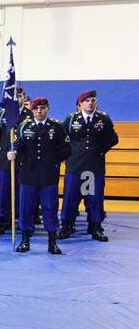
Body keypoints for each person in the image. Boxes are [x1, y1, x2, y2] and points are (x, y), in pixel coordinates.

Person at [59, 89, 118, 241]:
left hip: (94, 167)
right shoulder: (72, 119)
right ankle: (67, 225)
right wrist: (69, 155)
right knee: (71, 197)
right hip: (75, 166)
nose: (90, 103)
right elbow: (62, 139)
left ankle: (95, 227)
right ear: (80, 104)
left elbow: (112, 139)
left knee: (94, 198)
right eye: (87, 101)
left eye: (93, 101)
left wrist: (99, 151)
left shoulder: (103, 119)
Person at [10, 97, 67, 254]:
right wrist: (13, 152)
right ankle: (25, 240)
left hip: (48, 176)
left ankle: (52, 242)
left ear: (48, 108)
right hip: (28, 175)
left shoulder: (57, 128)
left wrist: (53, 161)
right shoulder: (24, 127)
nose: (39, 111)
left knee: (50, 208)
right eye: (36, 109)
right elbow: (17, 145)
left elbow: (65, 150)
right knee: (26, 209)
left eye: (42, 108)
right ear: (32, 110)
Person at [0, 86, 29, 236]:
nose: (16, 98)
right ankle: (1, 220)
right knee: (4, 192)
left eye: (19, 95)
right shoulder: (2, 115)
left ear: (24, 98)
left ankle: (21, 221)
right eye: (13, 95)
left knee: (23, 193)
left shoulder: (30, 115)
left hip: (25, 161)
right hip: (6, 161)